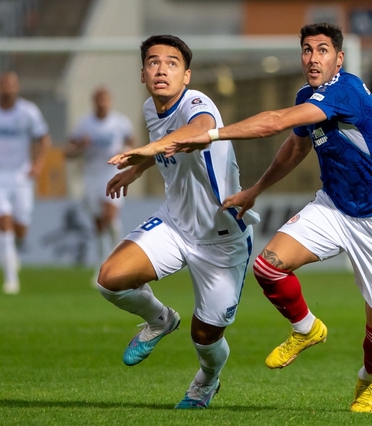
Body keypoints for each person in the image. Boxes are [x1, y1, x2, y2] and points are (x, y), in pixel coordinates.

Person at [167, 22, 372, 414]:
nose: (313, 58)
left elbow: (275, 122)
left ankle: (367, 381)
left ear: (339, 59)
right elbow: (296, 148)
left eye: (322, 50)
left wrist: (211, 135)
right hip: (334, 207)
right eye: (307, 50)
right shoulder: (307, 97)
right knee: (268, 267)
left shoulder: (345, 90)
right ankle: (306, 328)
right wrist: (255, 190)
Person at [97, 35, 259, 409]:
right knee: (110, 279)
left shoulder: (198, 104)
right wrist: (138, 168)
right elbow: (167, 144)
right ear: (142, 73)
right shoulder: (151, 108)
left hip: (221, 238)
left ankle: (207, 379)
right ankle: (160, 320)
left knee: (205, 338)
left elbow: (197, 132)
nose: (161, 69)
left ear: (186, 76)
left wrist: (146, 150)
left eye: (172, 63)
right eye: (153, 62)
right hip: (174, 224)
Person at [0, 71, 52, 295]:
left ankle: (13, 253)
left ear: (17, 87)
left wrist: (37, 165)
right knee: (3, 221)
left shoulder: (28, 112)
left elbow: (44, 140)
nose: (7, 88)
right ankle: (10, 279)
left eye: (11, 85)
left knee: (21, 228)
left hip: (21, 174)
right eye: (3, 84)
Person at [64, 87, 135, 280]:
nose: (102, 103)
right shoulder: (84, 124)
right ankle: (103, 264)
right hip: (91, 177)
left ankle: (117, 261)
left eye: (105, 99)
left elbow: (133, 146)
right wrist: (81, 146)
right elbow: (68, 152)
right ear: (94, 102)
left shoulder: (120, 123)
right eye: (99, 99)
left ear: (110, 101)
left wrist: (125, 152)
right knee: (99, 224)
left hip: (112, 174)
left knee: (109, 216)